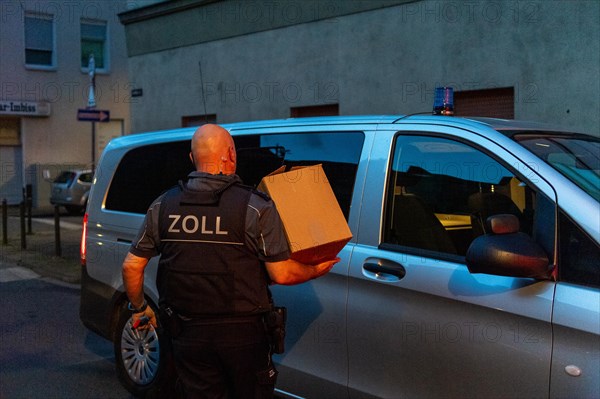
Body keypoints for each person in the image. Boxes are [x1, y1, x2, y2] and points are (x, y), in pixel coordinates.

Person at [122, 123, 340, 398]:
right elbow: (282, 274)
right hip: (243, 338)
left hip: (188, 335)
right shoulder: (255, 207)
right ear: (230, 156)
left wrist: (140, 308)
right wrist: (315, 270)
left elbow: (131, 266)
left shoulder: (162, 206)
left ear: (192, 159)